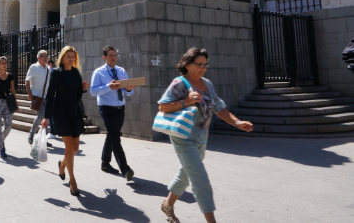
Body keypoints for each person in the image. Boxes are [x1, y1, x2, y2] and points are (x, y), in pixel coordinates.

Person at [159, 47, 253, 223]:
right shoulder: (179, 83)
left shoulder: (207, 84)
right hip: (183, 137)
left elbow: (219, 107)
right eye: (199, 64)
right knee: (200, 180)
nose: (203, 68)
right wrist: (187, 101)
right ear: (187, 65)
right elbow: (162, 107)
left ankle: (167, 205)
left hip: (202, 138)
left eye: (205, 64)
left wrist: (237, 123)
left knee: (186, 173)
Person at [41, 46, 89, 197]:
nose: (71, 59)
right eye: (68, 56)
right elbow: (50, 95)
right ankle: (72, 180)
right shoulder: (55, 72)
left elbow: (77, 95)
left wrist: (83, 89)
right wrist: (46, 117)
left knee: (74, 148)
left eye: (73, 56)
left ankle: (62, 165)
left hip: (74, 113)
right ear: (62, 58)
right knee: (68, 146)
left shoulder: (75, 72)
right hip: (60, 113)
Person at [90, 45, 136, 181]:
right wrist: (108, 87)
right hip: (106, 108)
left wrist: (128, 89)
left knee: (111, 135)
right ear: (104, 57)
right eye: (110, 55)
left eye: (114, 55)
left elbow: (129, 92)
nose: (113, 58)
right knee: (116, 138)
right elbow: (93, 91)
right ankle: (125, 169)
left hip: (120, 108)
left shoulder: (121, 71)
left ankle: (105, 163)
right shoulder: (99, 72)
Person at [26, 50, 52, 146]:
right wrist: (29, 93)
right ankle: (31, 134)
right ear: (39, 57)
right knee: (41, 116)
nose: (45, 58)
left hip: (47, 96)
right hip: (37, 95)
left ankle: (43, 139)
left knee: (46, 118)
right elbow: (27, 80)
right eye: (43, 56)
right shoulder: (33, 67)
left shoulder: (48, 68)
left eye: (46, 56)